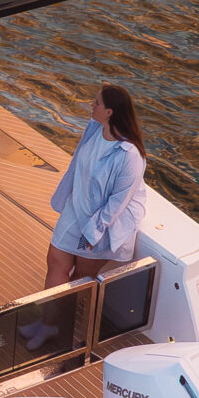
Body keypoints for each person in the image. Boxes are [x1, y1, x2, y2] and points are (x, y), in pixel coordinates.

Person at [46, 84, 150, 287]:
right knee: (55, 260)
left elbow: (118, 201)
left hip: (102, 222)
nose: (91, 105)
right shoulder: (95, 128)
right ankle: (47, 309)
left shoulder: (130, 155)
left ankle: (64, 309)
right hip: (77, 206)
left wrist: (94, 232)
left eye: (96, 103)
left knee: (82, 276)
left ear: (109, 112)